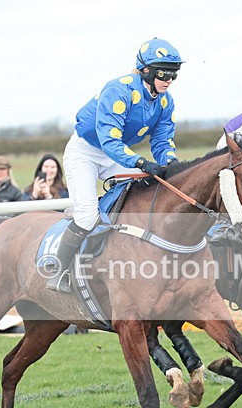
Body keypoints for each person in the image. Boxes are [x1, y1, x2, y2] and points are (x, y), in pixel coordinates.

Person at [46, 37, 183, 292]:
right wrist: (140, 162)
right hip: (85, 153)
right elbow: (109, 140)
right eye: (164, 73)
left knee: (150, 189)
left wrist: (170, 162)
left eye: (174, 74)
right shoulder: (118, 90)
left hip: (115, 156)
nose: (169, 80)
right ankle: (58, 270)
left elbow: (162, 140)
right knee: (87, 217)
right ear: (146, 70)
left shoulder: (165, 101)